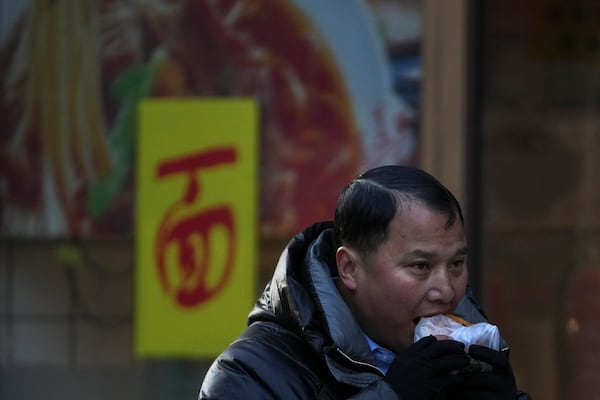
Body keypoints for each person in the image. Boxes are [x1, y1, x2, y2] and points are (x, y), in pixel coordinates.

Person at [199, 165, 531, 399]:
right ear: (349, 269)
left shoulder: (468, 359)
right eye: (420, 266)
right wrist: (392, 395)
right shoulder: (248, 371)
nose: (446, 290)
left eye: (457, 263)